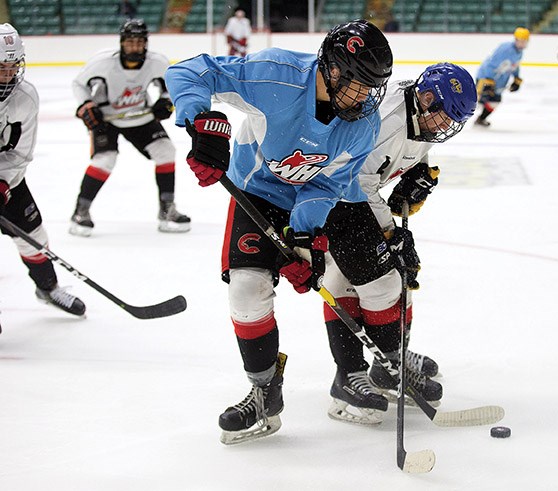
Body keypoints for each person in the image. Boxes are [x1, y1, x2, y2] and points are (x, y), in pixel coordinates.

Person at [165, 19, 393, 444]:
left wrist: (303, 242)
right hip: (256, 192)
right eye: (358, 83)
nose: (364, 97)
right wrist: (201, 120)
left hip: (307, 201)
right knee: (247, 292)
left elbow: (329, 184)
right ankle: (264, 390)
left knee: (342, 277)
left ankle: (350, 372)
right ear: (332, 68)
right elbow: (191, 70)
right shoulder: (279, 76)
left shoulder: (364, 123)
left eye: (372, 87)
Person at [323, 62, 477, 425]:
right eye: (445, 117)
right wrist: (389, 232)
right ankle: (350, 377)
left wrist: (417, 172)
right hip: (328, 195)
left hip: (353, 197)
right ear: (425, 99)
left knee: (398, 277)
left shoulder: (420, 112)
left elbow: (408, 150)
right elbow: (359, 182)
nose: (446, 127)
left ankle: (388, 360)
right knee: (355, 281)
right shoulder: (387, 119)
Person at [69, 19, 190, 237]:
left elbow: (174, 85)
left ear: (146, 43)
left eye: (139, 42)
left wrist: (166, 100)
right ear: (121, 43)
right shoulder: (103, 63)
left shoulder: (158, 62)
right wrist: (85, 105)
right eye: (130, 42)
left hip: (139, 117)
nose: (134, 46)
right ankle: (81, 211)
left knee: (166, 151)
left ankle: (167, 210)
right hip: (105, 119)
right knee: (105, 160)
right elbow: (79, 84)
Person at [0, 23, 86, 318]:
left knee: (33, 235)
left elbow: (20, 152)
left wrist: (3, 185)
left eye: (14, 65)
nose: (9, 74)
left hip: (7, 181)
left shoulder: (24, 97)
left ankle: (47, 287)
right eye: (2, 67)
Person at [474, 27, 529, 127]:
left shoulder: (519, 52)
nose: (523, 43)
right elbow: (491, 64)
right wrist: (488, 80)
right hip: (485, 78)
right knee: (475, 101)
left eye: (525, 41)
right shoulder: (505, 49)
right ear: (516, 39)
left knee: (494, 102)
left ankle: (480, 119)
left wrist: (516, 79)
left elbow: (514, 66)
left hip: (499, 82)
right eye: (521, 41)